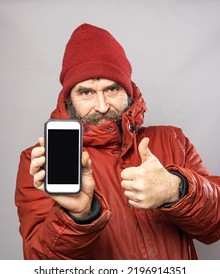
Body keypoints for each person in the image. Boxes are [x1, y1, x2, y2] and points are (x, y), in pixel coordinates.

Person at [15, 23, 220, 260]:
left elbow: (214, 227)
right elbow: (41, 264)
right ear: (69, 98)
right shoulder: (41, 161)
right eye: (86, 92)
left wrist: (176, 189)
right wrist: (78, 216)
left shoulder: (173, 140)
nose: (102, 107)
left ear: (128, 90)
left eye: (111, 89)